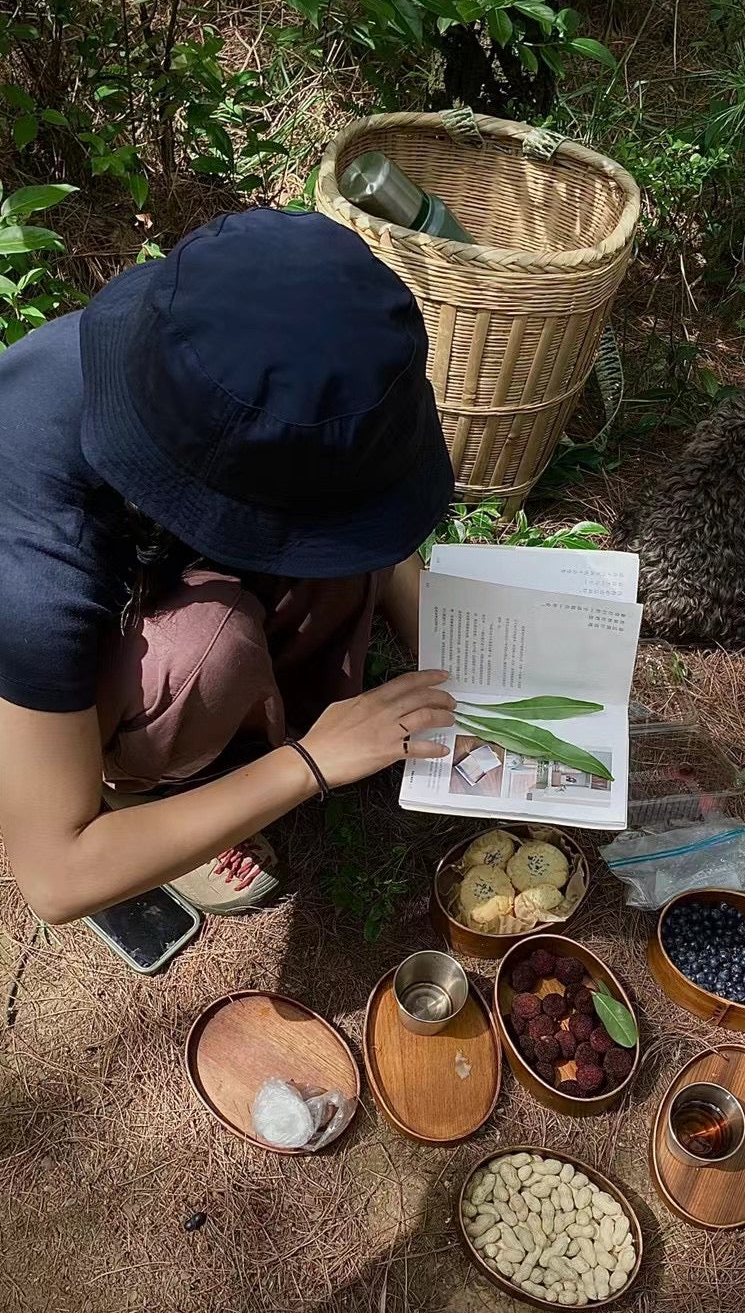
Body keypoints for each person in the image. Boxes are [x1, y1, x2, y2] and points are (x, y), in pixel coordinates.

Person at [0, 208, 458, 924]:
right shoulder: (36, 546)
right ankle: (147, 789)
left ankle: (249, 728)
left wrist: (448, 645)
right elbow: (55, 875)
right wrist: (310, 763)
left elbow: (357, 498)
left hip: (159, 555)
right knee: (207, 645)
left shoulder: (211, 333)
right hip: (50, 683)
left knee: (336, 562)